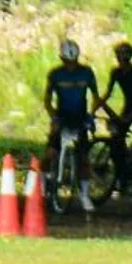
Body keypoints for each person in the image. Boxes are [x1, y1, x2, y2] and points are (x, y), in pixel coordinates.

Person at [43, 39, 102, 211]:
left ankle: (84, 195)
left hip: (80, 116)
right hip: (62, 115)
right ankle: (42, 184)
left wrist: (91, 115)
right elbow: (47, 100)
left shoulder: (87, 72)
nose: (71, 65)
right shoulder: (55, 74)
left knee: (83, 157)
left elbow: (95, 97)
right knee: (50, 152)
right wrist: (53, 116)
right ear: (61, 59)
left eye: (74, 61)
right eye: (67, 62)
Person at [100, 42, 132, 200]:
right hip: (129, 106)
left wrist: (128, 118)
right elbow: (108, 92)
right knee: (116, 142)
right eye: (119, 56)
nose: (121, 59)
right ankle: (121, 180)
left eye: (124, 56)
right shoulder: (116, 72)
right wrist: (97, 106)